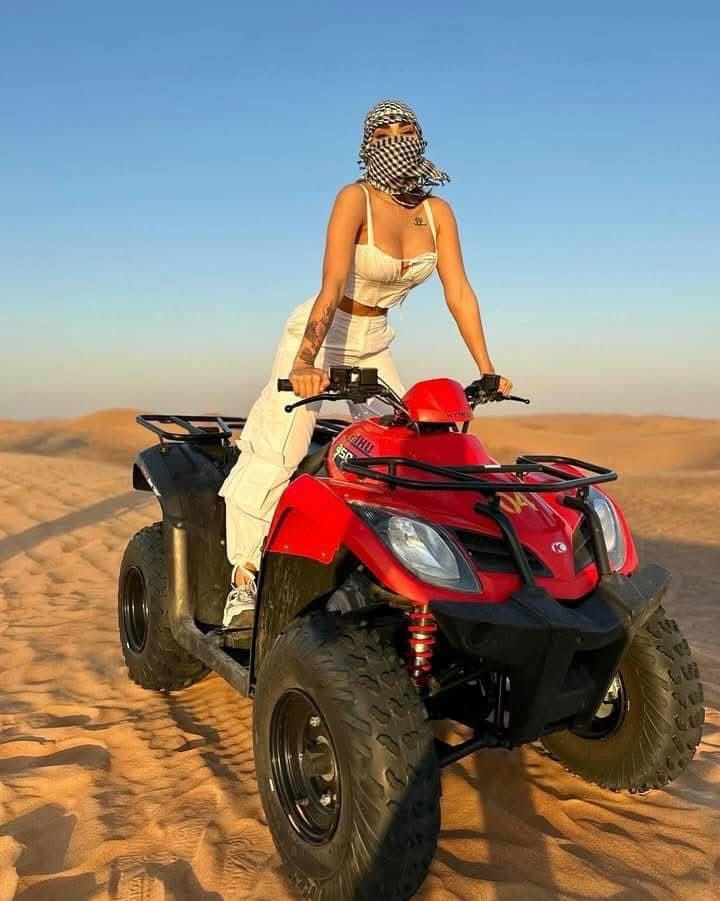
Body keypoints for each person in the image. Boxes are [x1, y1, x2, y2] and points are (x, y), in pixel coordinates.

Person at [218, 98, 512, 627]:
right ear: (367, 143)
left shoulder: (436, 211)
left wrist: (487, 368)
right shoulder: (355, 199)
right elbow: (330, 287)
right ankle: (244, 580)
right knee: (278, 451)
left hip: (373, 339)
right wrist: (306, 359)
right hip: (322, 333)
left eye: (406, 132)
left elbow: (460, 293)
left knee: (405, 454)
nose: (396, 143)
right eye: (384, 135)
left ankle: (403, 573)